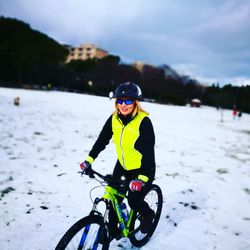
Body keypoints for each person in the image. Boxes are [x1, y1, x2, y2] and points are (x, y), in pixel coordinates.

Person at [80, 82, 156, 237]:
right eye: (120, 100)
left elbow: (148, 154)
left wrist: (141, 180)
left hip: (142, 169)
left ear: (135, 102)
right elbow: (102, 140)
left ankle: (148, 215)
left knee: (133, 201)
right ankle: (113, 229)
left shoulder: (144, 122)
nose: (123, 105)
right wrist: (89, 160)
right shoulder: (114, 118)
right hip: (122, 165)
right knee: (114, 194)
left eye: (128, 101)